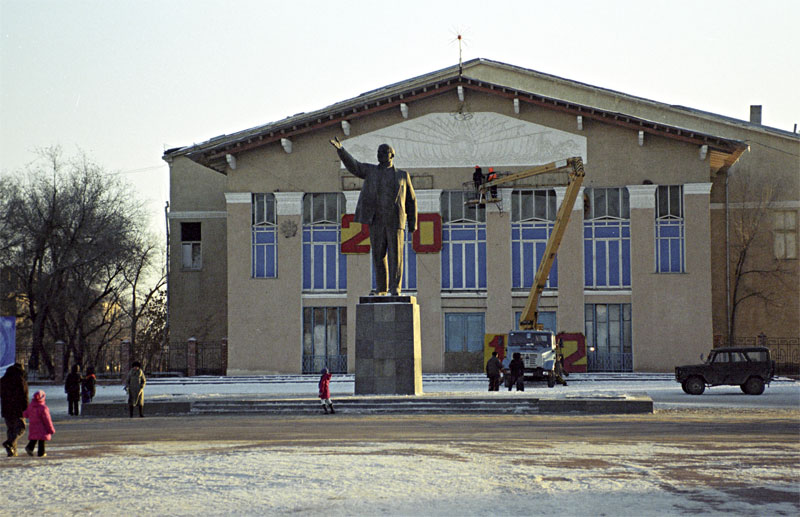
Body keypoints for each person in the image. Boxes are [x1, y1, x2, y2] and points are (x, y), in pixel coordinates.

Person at [330, 138, 417, 296]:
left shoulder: (403, 175)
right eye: (378, 152)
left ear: (391, 155)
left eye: (383, 152)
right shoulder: (371, 171)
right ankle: (381, 289)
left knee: (395, 256)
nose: (379, 155)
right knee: (378, 255)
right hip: (376, 220)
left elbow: (411, 200)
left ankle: (395, 289)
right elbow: (354, 166)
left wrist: (413, 223)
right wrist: (341, 150)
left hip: (395, 221)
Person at [1, 363, 29, 457]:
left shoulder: (4, 379)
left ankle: (12, 451)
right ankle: (10, 443)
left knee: (11, 429)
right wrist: (26, 408)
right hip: (18, 409)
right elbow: (24, 395)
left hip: (6, 409)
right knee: (21, 428)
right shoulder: (20, 380)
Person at [22, 390, 55, 457]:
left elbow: (25, 414)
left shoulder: (31, 406)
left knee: (34, 438)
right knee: (42, 440)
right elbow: (47, 419)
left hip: (33, 426)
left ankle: (30, 447)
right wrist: (51, 429)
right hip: (42, 427)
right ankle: (41, 452)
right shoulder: (43, 408)